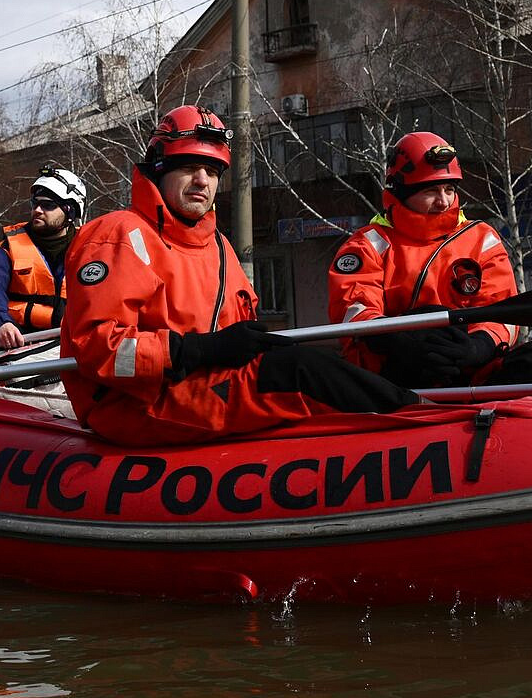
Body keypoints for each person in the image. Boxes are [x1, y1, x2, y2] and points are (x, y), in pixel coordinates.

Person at [60, 105, 419, 446]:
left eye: (213, 171)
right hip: (137, 401)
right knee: (298, 371)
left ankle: (418, 412)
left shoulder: (217, 246)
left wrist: (243, 348)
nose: (202, 181)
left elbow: (239, 334)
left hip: (201, 385)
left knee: (314, 362)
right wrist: (196, 350)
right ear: (158, 169)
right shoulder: (118, 236)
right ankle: (425, 424)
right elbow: (98, 349)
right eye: (189, 166)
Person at [327, 132, 532, 389]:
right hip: (396, 373)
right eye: (431, 190)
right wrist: (404, 341)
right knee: (431, 318)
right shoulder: (367, 246)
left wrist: (478, 347)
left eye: (449, 189)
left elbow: (501, 311)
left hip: (468, 367)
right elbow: (355, 312)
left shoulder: (481, 239)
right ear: (400, 193)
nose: (443, 201)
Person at [0, 165, 87, 348]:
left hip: (68, 342)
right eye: (35, 203)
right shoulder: (8, 247)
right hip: (17, 340)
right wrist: (1, 322)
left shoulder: (90, 248)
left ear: (70, 211)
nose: (37, 210)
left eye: (48, 205)